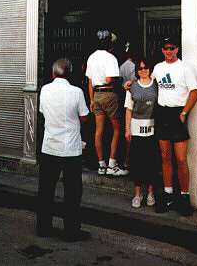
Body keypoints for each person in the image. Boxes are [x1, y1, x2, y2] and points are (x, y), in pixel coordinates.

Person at [37, 59, 89, 242]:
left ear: (53, 73)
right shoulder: (76, 92)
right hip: (70, 149)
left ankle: (43, 227)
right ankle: (71, 231)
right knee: (72, 192)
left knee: (46, 189)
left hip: (49, 146)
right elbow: (84, 118)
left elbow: (43, 113)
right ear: (71, 74)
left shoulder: (45, 90)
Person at [152, 36, 197, 216]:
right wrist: (130, 85)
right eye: (166, 48)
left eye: (172, 48)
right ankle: (168, 194)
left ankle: (184, 197)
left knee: (181, 159)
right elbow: (148, 83)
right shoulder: (158, 68)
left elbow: (195, 92)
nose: (169, 51)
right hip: (162, 113)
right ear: (162, 50)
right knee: (165, 157)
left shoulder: (185, 68)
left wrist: (184, 113)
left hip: (177, 114)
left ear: (177, 49)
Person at [86, 30, 127, 176]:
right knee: (116, 129)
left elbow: (90, 81)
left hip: (96, 95)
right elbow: (110, 79)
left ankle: (101, 165)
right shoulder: (111, 58)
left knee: (99, 131)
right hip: (109, 93)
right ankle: (112, 164)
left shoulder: (91, 58)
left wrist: (91, 100)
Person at [125, 58, 159, 208]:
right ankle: (137, 195)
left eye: (146, 68)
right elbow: (129, 109)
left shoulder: (157, 85)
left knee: (151, 162)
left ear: (150, 69)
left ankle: (151, 193)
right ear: (137, 71)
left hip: (152, 128)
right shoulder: (132, 87)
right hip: (136, 128)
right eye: (140, 68)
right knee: (138, 163)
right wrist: (127, 129)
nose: (143, 70)